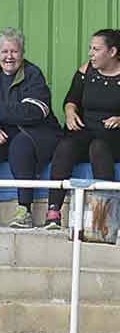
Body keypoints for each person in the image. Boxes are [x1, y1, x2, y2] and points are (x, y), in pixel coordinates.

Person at [0, 28, 58, 228]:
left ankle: (24, 210)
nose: (9, 57)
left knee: (20, 146)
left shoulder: (32, 74)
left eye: (14, 52)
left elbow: (36, 110)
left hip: (32, 131)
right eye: (4, 52)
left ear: (22, 53)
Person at [44, 29, 120, 229]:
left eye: (96, 49)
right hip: (85, 129)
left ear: (112, 52)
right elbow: (71, 99)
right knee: (66, 147)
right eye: (90, 48)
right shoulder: (86, 71)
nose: (90, 54)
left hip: (112, 135)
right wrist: (70, 113)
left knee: (99, 147)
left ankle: (104, 216)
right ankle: (53, 210)